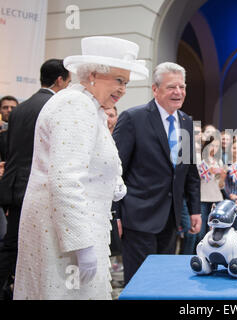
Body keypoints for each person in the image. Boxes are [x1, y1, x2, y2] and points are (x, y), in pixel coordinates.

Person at [12, 36, 148, 300]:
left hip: (69, 232)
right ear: (95, 74)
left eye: (126, 84)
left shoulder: (88, 106)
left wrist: (114, 185)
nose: (123, 90)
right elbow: (65, 179)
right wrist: (82, 245)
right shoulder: (75, 105)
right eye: (119, 81)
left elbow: (93, 162)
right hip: (64, 239)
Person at [112, 62, 201, 285]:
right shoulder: (133, 118)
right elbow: (115, 171)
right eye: (172, 87)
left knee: (162, 282)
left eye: (182, 86)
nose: (178, 92)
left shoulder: (187, 122)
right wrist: (116, 214)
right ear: (155, 89)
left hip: (170, 220)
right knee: (140, 282)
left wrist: (195, 210)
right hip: (137, 217)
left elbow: (189, 171)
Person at [0, 59, 71, 300]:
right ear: (60, 80)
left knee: (11, 245)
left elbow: (11, 150)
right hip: (37, 188)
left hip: (12, 186)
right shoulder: (56, 106)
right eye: (69, 81)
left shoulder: (19, 108)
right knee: (35, 249)